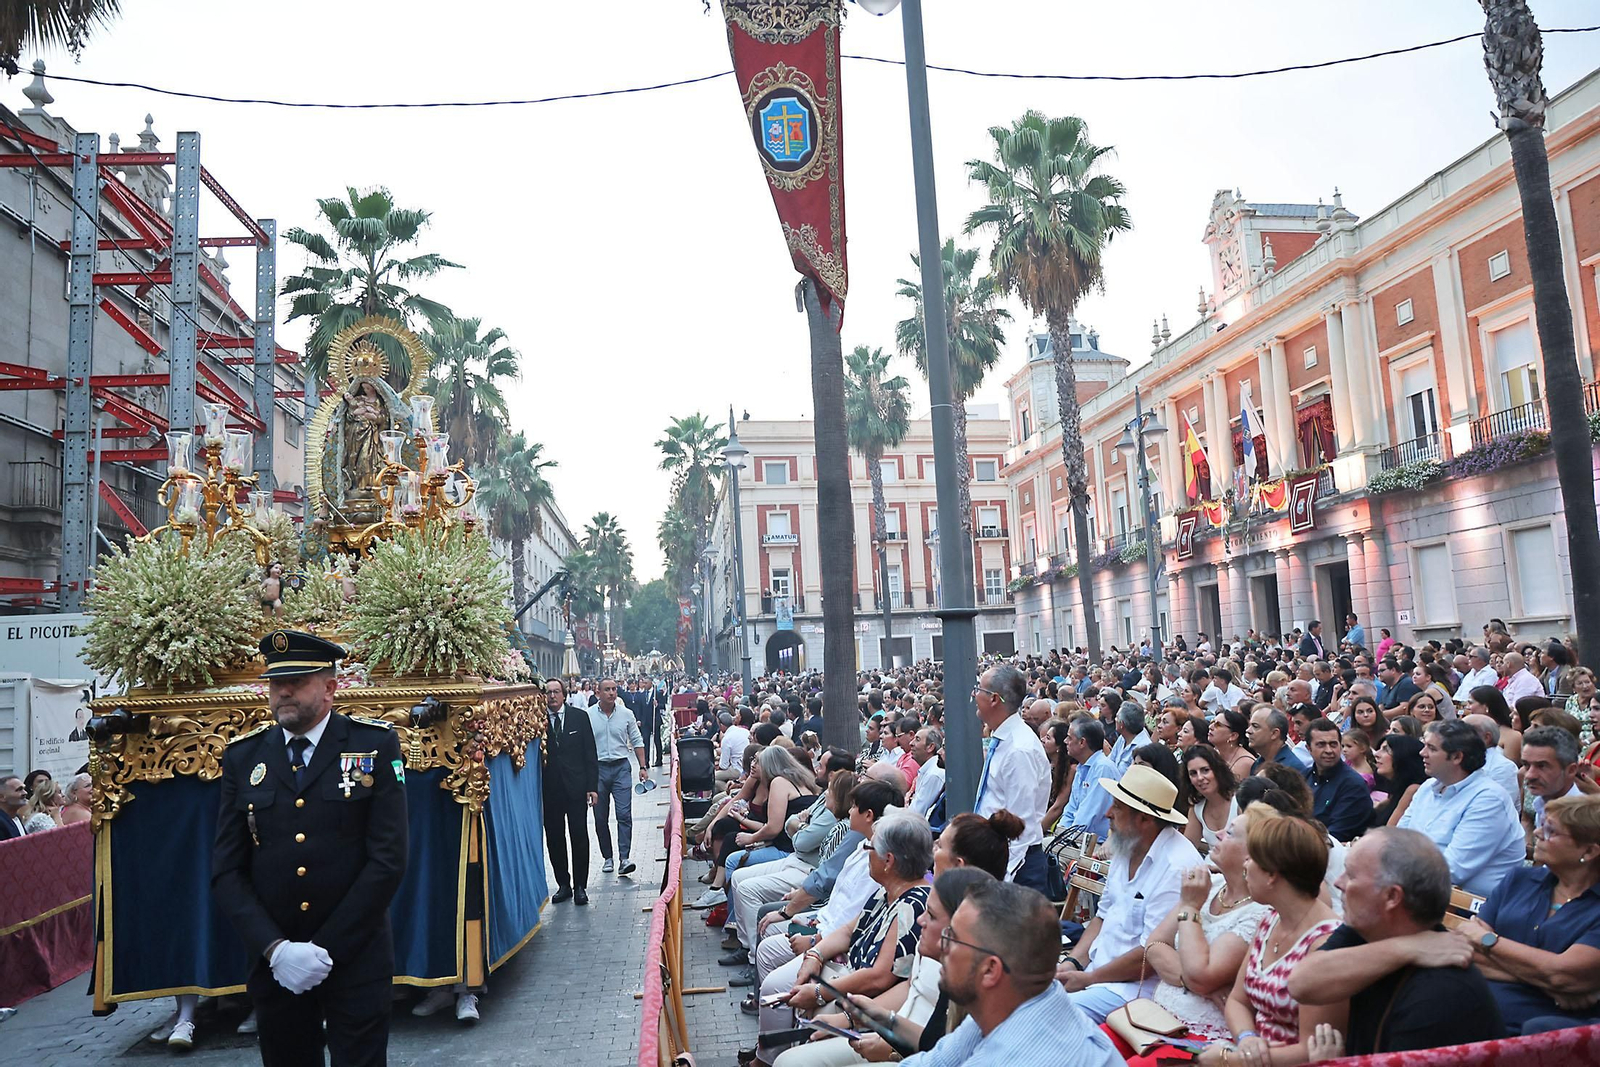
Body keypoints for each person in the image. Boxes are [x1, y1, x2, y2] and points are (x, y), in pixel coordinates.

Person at [212, 630, 408, 1064]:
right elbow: (227, 869)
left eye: (297, 682)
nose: (283, 692)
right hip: (276, 964)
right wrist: (276, 949)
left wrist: (326, 949)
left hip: (356, 956)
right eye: (275, 683)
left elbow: (388, 859)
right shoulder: (245, 757)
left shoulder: (372, 745)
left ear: (330, 688)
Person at [1286, 828, 1503, 1055]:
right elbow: (1301, 984)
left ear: (1392, 897)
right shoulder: (1366, 930)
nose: (1339, 882)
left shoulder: (1441, 995)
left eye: (1351, 875)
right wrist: (1406, 948)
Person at [780, 868, 998, 1067]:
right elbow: (930, 1033)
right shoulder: (945, 957)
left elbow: (942, 1054)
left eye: (931, 915)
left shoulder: (971, 987)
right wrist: (874, 1017)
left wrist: (890, 1048)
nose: (920, 921)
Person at [900, 881, 1122, 1067]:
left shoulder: (1016, 1056)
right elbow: (935, 1062)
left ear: (990, 970)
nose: (942, 946)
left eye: (952, 938)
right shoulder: (1013, 1003)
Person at [771, 814, 934, 1062]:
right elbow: (849, 931)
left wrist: (819, 992)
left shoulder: (913, 905)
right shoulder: (887, 892)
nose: (866, 852)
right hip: (850, 985)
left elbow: (879, 977)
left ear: (888, 860)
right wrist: (815, 955)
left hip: (867, 1001)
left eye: (869, 847)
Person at [1195, 807, 1343, 1067]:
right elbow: (1238, 1001)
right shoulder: (1271, 919)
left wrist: (1232, 1060)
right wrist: (1247, 1038)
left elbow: (1313, 1050)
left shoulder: (1325, 945)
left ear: (1272, 875)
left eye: (1252, 859)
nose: (1245, 865)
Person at [1057, 765, 1204, 1022]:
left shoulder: (1177, 866)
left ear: (1145, 819)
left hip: (1135, 992)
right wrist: (1072, 964)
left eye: (1117, 807)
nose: (1108, 813)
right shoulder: (1129, 843)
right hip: (1097, 975)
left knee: (1048, 1014)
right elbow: (1102, 917)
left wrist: (1088, 978)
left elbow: (1149, 957)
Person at [1458, 795, 1600, 1034]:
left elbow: (1562, 973)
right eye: (1541, 824)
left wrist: (1487, 939)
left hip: (1550, 1026)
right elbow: (1466, 950)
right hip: (1480, 1004)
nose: (1537, 833)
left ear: (1589, 850)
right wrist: (1548, 983)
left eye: (1550, 831)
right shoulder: (1519, 880)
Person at [1142, 812, 1272, 1045]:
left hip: (1200, 1038)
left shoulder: (1260, 912)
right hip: (1154, 1018)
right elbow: (1154, 945)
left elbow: (1202, 975)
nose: (1218, 834)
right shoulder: (1211, 885)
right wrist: (1199, 987)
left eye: (1230, 832)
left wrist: (1190, 907)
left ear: (1251, 854)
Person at [1397, 720, 1524, 896]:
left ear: (1457, 757)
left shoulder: (1489, 799)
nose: (1422, 753)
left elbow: (1452, 869)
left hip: (1471, 904)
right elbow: (1398, 839)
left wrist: (1396, 869)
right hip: (1422, 889)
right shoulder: (1428, 787)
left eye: (1431, 748)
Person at [972, 665, 1050, 890]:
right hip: (997, 858)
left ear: (994, 699)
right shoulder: (1004, 739)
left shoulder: (1019, 749)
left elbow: (1020, 825)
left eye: (978, 689)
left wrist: (1002, 881)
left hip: (1016, 867)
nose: (974, 695)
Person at [541, 677, 598, 907]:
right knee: (555, 838)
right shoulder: (537, 721)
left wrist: (592, 787)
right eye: (548, 692)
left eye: (556, 692)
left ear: (564, 695)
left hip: (576, 788)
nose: (552, 696)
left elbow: (590, 754)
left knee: (579, 836)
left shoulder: (579, 717)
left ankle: (580, 886)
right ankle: (563, 884)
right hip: (550, 790)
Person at [588, 677, 648, 877]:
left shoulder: (626, 714)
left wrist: (642, 766)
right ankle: (607, 857)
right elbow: (583, 746)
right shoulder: (588, 715)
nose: (612, 693)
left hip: (621, 767)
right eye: (607, 689)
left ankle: (624, 858)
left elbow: (637, 740)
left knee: (624, 814)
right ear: (598, 692)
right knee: (600, 817)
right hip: (598, 769)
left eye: (614, 689)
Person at [1301, 718, 1371, 842]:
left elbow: (1336, 835)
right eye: (1321, 744)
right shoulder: (1303, 777)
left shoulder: (1353, 785)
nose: (1329, 750)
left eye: (1333, 744)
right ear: (1309, 748)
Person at [1057, 717, 1114, 844]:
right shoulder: (1081, 767)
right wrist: (1060, 834)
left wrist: (1066, 840)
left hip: (1097, 844)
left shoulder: (1103, 768)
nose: (1065, 741)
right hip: (1077, 839)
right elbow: (1071, 809)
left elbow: (1089, 816)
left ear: (1082, 742)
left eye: (1069, 738)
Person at [1522, 725, 1583, 832]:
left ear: (1571, 770)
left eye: (1542, 766)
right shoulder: (1541, 803)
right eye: (1526, 765)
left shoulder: (1585, 821)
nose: (1529, 775)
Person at [1183, 745, 1239, 855]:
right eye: (1193, 773)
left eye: (1205, 770)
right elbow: (1187, 849)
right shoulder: (1197, 808)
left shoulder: (1239, 802)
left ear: (1218, 770)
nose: (1200, 778)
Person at [1461, 713, 1520, 808]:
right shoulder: (1458, 760)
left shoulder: (1503, 767)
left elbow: (1496, 806)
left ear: (1486, 738)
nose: (1455, 737)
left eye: (1463, 733)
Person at [1369, 734, 1427, 828]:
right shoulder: (1395, 791)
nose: (1376, 754)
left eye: (1386, 750)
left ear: (1404, 756)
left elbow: (1389, 831)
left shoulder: (1414, 789)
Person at [1247, 707, 1307, 774]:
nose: (1248, 730)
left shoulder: (1292, 769)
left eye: (1255, 726)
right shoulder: (1257, 764)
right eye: (1250, 725)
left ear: (1274, 733)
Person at [1040, 720, 1075, 833]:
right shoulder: (1046, 764)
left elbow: (1058, 807)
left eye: (1048, 738)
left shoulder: (1071, 770)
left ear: (1059, 746)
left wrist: (1037, 832)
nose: (1042, 740)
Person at [1208, 709, 1257, 782]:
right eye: (1212, 722)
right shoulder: (1214, 752)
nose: (1210, 727)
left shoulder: (1245, 762)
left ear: (1233, 736)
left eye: (1218, 725)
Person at [1109, 703, 1151, 774]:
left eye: (1117, 717)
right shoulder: (1122, 738)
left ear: (1122, 724)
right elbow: (1110, 760)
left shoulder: (1143, 747)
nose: (1115, 719)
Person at [0, 775, 25, 840]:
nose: (25, 793)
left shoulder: (16, 817)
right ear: (1, 797)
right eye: (19, 790)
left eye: (24, 789)